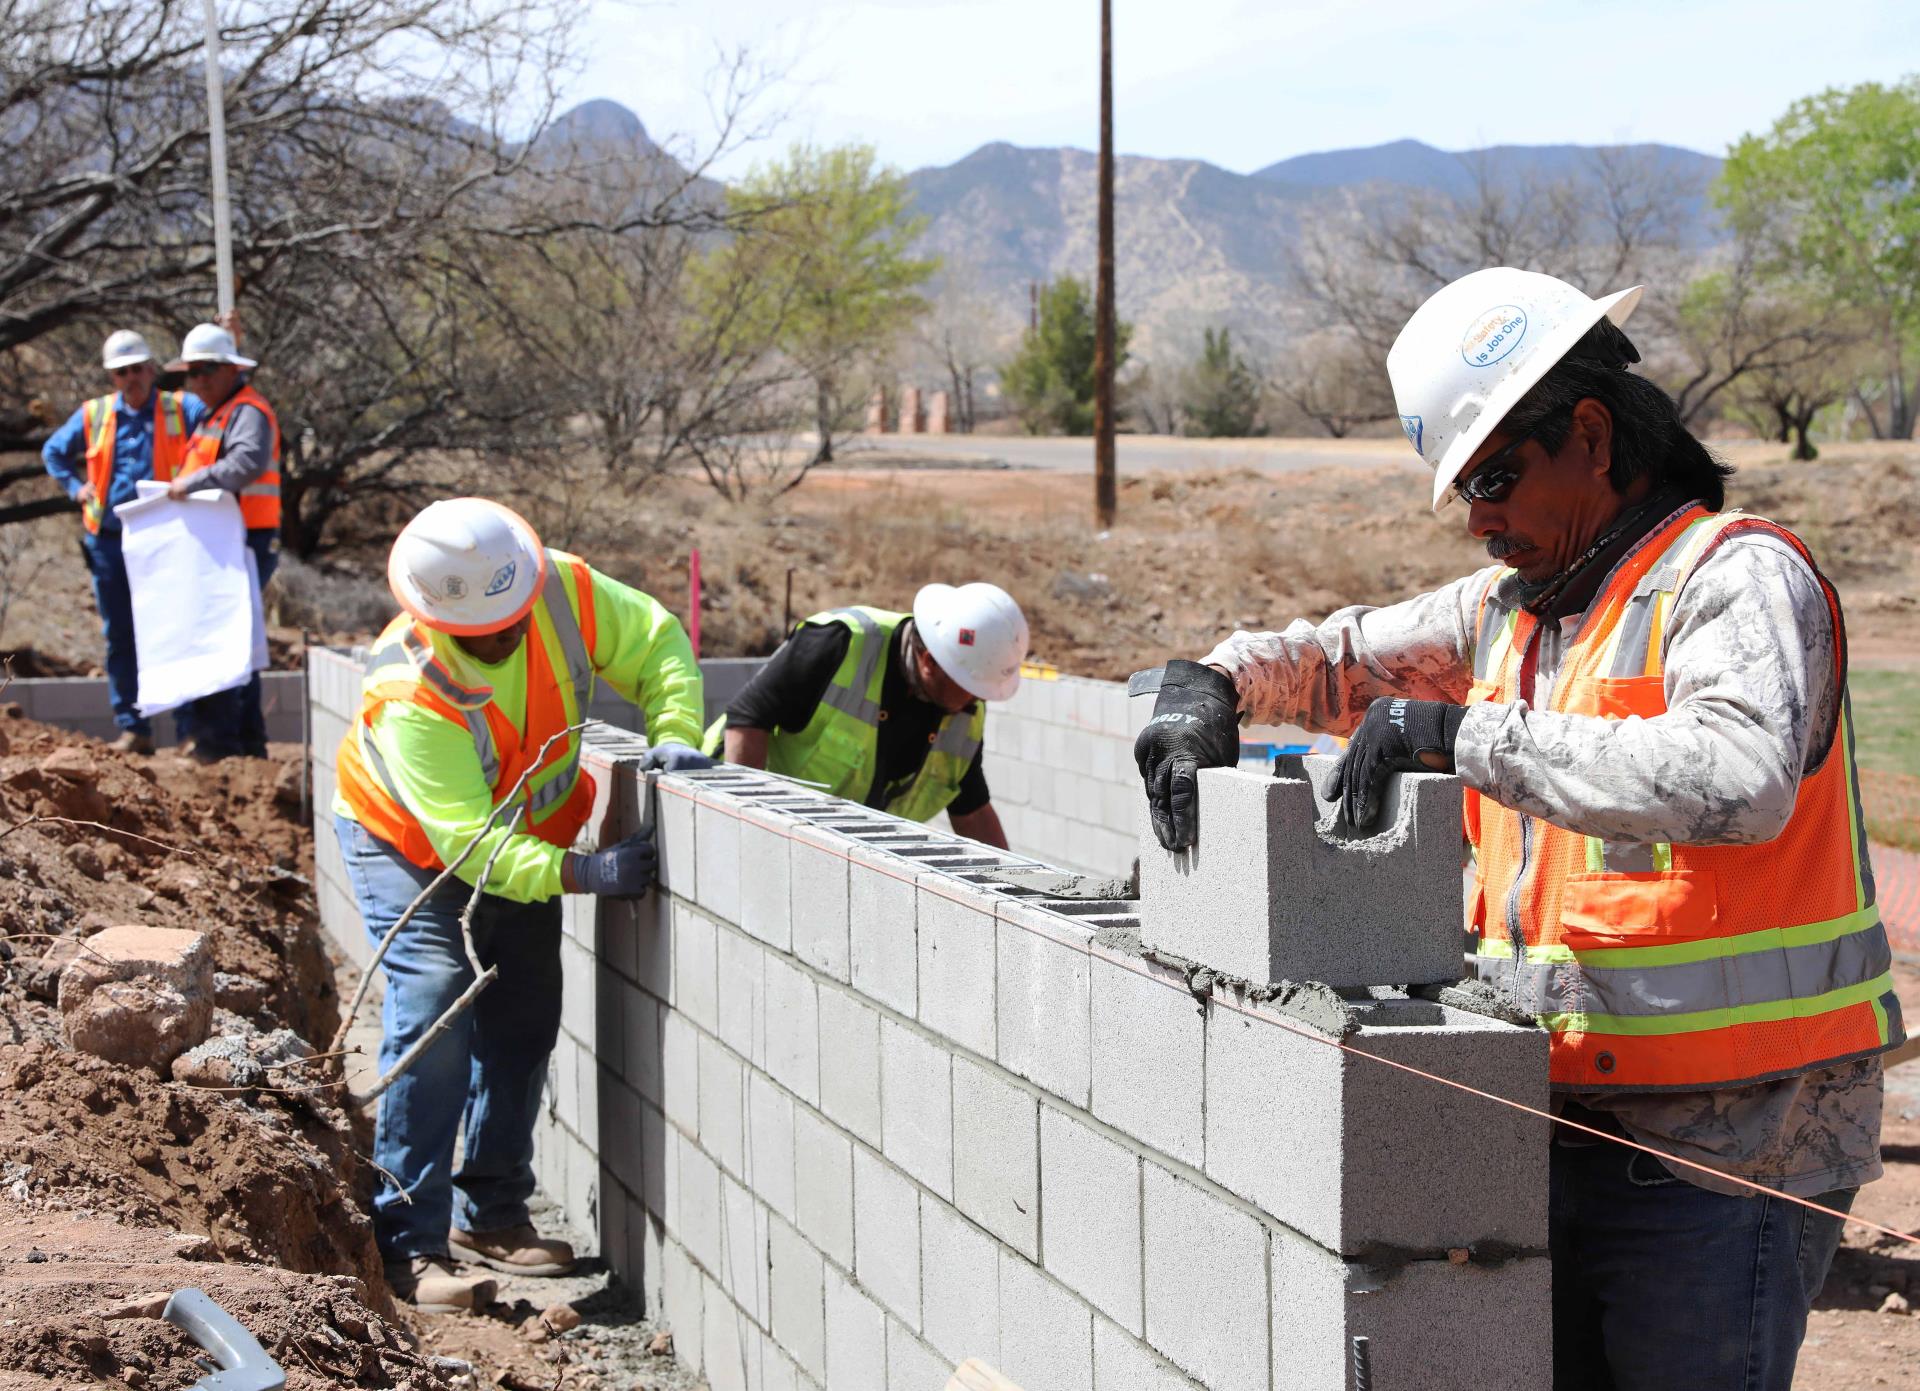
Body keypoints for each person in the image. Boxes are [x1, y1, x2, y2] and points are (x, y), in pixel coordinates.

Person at [1133, 267, 1902, 1391]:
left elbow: (1742, 774)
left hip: (1733, 1150)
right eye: (1464, 492)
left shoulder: (1732, 577)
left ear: (1589, 434)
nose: (1481, 518)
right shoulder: (1510, 611)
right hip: (1559, 1121)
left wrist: (1466, 736)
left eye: (1495, 477)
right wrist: (1208, 683)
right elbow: (1336, 659)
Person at [333, 497, 709, 1312]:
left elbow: (657, 643)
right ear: (435, 618)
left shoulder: (562, 590)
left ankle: (494, 1210)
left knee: (527, 1008)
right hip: (409, 843)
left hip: (529, 834)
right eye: (482, 634)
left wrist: (676, 727)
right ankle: (408, 1244)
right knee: (435, 998)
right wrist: (581, 872)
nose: (505, 638)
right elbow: (470, 844)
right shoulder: (412, 688)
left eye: (512, 618)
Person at [712, 583, 1027, 847]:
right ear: (930, 662)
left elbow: (971, 812)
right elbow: (748, 719)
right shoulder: (841, 643)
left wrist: (1021, 891)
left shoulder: (964, 710)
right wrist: (747, 827)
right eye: (970, 686)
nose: (976, 700)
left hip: (836, 856)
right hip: (727, 806)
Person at [40, 330, 208, 753]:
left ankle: (187, 729)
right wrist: (74, 488)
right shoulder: (94, 415)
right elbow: (53, 452)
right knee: (121, 635)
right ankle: (134, 728)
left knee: (173, 631)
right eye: (122, 372)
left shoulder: (181, 408)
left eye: (137, 369)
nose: (131, 378)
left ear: (152, 370)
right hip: (110, 540)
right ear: (112, 377)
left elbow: (219, 419)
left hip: (165, 538)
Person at [165, 320, 282, 759]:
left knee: (225, 641)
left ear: (231, 371)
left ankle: (225, 744)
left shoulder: (247, 411)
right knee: (235, 643)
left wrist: (193, 483)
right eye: (191, 373)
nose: (196, 381)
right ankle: (242, 745)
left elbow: (246, 461)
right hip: (227, 542)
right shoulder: (217, 413)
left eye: (205, 371)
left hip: (245, 540)